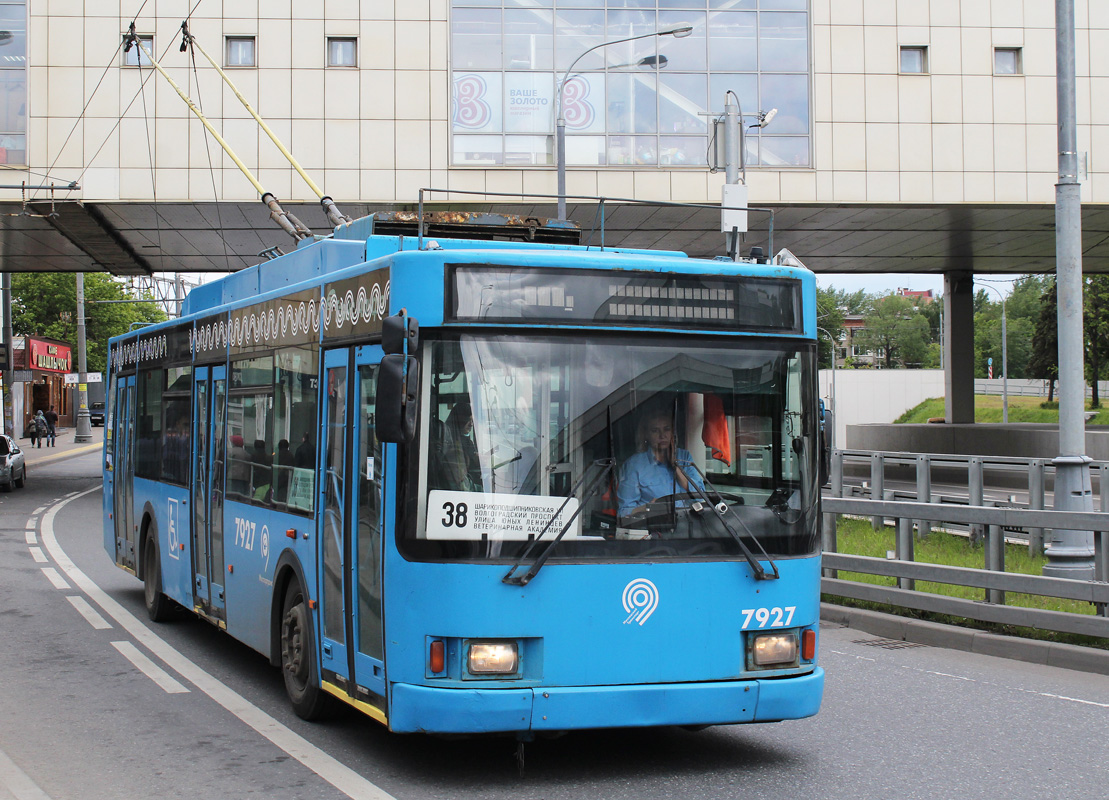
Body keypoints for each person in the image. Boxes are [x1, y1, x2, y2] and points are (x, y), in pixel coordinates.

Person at [616, 410, 704, 517]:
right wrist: (648, 508)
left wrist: (676, 466)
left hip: (687, 525)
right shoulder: (634, 465)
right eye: (655, 431)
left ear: (672, 432)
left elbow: (701, 496)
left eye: (667, 429)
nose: (662, 436)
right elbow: (623, 512)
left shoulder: (684, 457)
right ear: (646, 435)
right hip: (653, 527)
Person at [441, 401, 479, 491]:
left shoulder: (465, 439)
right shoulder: (450, 440)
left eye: (472, 421)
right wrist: (475, 459)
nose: (471, 424)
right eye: (468, 420)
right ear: (460, 420)